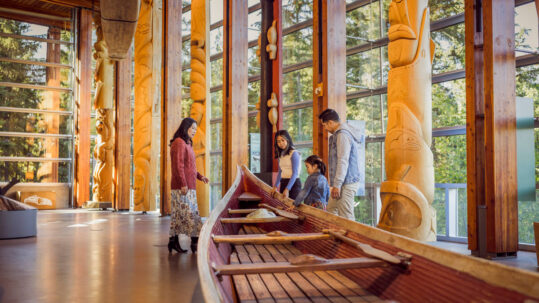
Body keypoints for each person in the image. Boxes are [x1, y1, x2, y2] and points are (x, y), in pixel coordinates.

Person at [168, 117, 209, 253]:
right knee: (191, 216)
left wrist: (200, 177)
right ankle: (194, 244)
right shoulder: (179, 143)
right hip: (182, 188)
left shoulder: (187, 143)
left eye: (196, 129)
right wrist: (183, 184)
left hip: (189, 187)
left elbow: (190, 167)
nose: (195, 131)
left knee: (180, 215)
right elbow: (178, 166)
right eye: (193, 128)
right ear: (186, 127)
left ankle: (173, 242)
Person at [318, 108, 362, 220]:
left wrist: (337, 185)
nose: (325, 129)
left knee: (346, 216)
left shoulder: (342, 135)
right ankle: (335, 237)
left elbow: (342, 160)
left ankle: (352, 237)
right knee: (331, 210)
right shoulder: (337, 135)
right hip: (341, 182)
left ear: (331, 122)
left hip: (346, 182)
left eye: (324, 125)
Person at [272, 130, 302, 199]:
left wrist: (287, 189)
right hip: (283, 182)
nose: (281, 143)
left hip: (294, 184)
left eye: (283, 140)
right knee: (283, 207)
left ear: (287, 140)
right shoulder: (280, 155)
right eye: (278, 141)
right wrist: (275, 186)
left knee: (293, 208)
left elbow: (295, 173)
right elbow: (280, 172)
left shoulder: (294, 153)